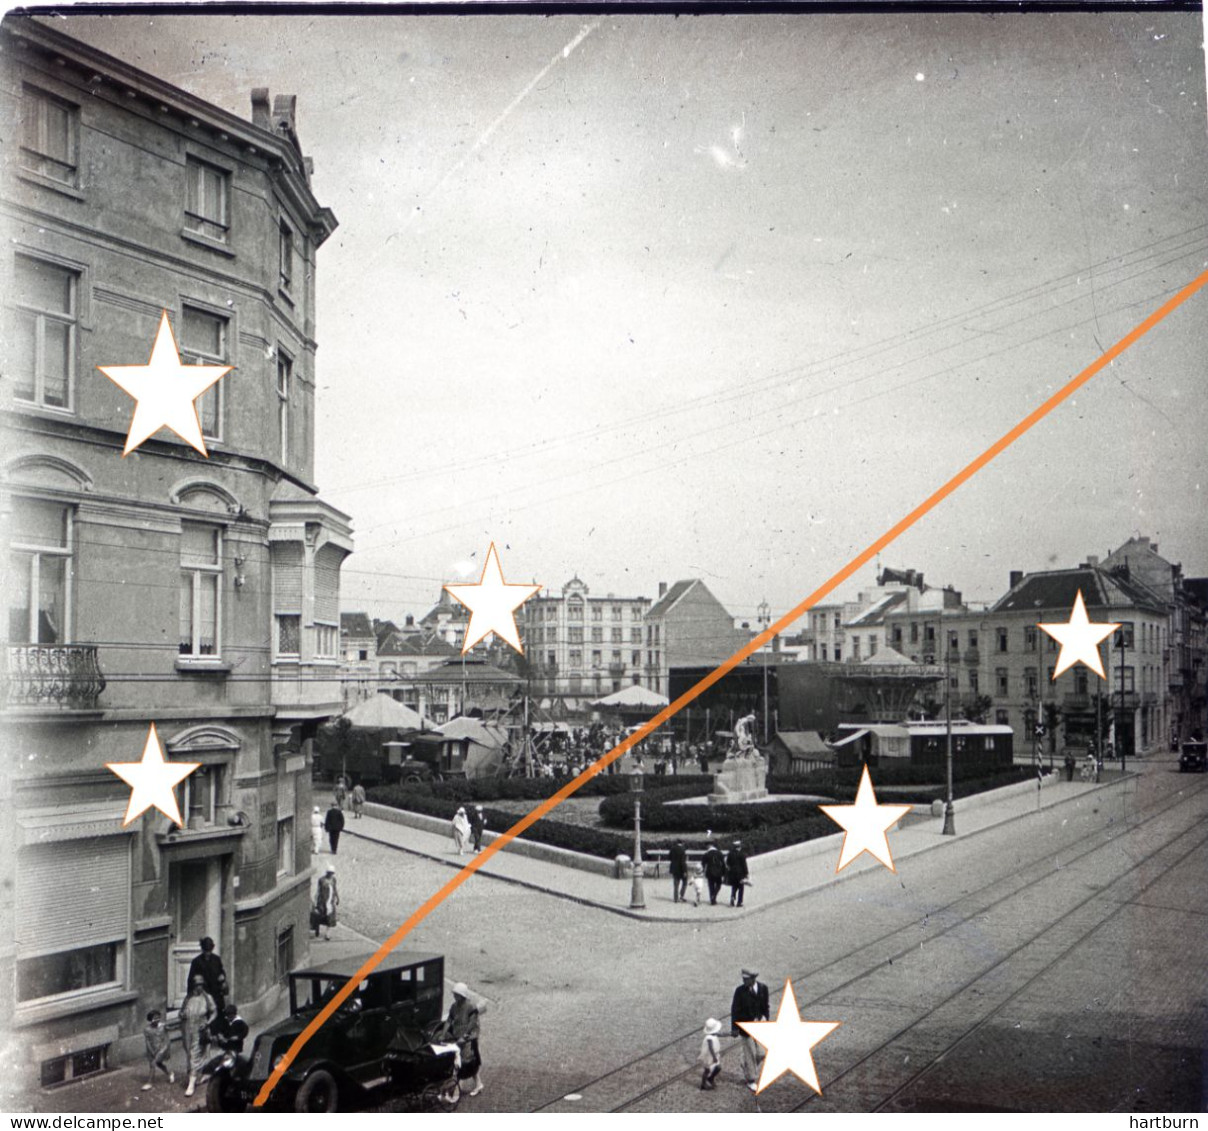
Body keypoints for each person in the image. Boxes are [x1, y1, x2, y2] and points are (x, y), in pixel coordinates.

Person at [439, 982, 484, 1097]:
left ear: (461, 995)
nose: (454, 996)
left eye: (456, 994)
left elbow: (472, 1024)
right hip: (458, 1038)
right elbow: (449, 1020)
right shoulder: (454, 1006)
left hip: (469, 1040)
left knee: (469, 1062)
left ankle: (468, 1086)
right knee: (459, 1062)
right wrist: (443, 1034)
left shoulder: (471, 1007)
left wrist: (464, 1037)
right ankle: (469, 1085)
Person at [730, 968, 770, 1090]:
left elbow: (766, 1006)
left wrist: (766, 1019)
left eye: (746, 979)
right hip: (745, 1028)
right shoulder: (739, 991)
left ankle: (747, 1066)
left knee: (762, 1054)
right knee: (750, 1053)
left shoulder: (763, 989)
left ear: (753, 979)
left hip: (760, 1026)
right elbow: (735, 1010)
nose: (744, 981)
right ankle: (751, 1079)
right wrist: (734, 1028)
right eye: (743, 979)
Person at [181, 975, 217, 1098]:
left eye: (201, 985)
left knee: (194, 1055)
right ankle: (201, 1074)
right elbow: (182, 1012)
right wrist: (182, 1015)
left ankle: (191, 1083)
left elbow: (214, 1012)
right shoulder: (188, 998)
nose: (199, 987)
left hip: (201, 1029)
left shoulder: (207, 998)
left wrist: (208, 1023)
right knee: (190, 1053)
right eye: (197, 985)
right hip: (188, 1029)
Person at [187, 936, 228, 1013]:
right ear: (202, 949)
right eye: (206, 950)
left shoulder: (216, 959)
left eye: (209, 950)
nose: (208, 953)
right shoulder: (196, 962)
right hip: (203, 994)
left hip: (216, 994)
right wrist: (190, 997)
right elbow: (190, 980)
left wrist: (222, 978)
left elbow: (222, 973)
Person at [142, 1010, 174, 1091]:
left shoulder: (163, 1026)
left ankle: (150, 1083)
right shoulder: (147, 1029)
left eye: (158, 1018)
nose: (157, 1020)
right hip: (153, 1049)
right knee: (158, 1063)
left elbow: (170, 1028)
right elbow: (148, 1041)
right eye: (155, 1018)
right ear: (150, 1019)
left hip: (163, 1047)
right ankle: (169, 1073)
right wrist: (151, 1050)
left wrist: (168, 1027)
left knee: (153, 1064)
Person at [313, 865, 339, 940]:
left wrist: (337, 898)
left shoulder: (333, 880)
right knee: (320, 916)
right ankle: (316, 930)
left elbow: (335, 888)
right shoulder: (321, 880)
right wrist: (316, 901)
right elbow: (318, 891)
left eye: (332, 873)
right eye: (329, 872)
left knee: (330, 918)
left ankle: (327, 934)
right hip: (322, 902)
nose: (330, 874)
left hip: (330, 902)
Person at [698, 1017, 723, 1090]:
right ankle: (703, 1084)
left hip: (714, 1055)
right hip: (708, 1056)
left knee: (718, 1068)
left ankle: (710, 1078)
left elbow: (721, 1034)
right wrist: (714, 1057)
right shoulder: (709, 1038)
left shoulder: (714, 1034)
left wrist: (729, 1033)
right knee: (707, 1070)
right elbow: (711, 1048)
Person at [726, 840, 750, 907]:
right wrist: (746, 873)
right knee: (741, 887)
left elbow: (728, 863)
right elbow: (744, 865)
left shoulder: (730, 854)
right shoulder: (742, 854)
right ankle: (739, 902)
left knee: (734, 887)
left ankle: (732, 898)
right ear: (739, 846)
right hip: (740, 873)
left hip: (732, 873)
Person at [703, 841, 726, 906]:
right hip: (718, 872)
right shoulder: (719, 853)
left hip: (710, 872)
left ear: (708, 846)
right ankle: (714, 895)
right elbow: (723, 863)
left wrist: (703, 872)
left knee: (711, 886)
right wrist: (724, 872)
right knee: (719, 885)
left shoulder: (706, 854)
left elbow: (703, 864)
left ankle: (712, 900)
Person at [669, 839, 689, 903]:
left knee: (676, 884)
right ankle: (681, 895)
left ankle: (675, 899)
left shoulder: (672, 848)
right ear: (682, 843)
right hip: (681, 869)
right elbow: (683, 862)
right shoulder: (683, 849)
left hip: (674, 869)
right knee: (685, 883)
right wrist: (685, 871)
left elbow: (669, 857)